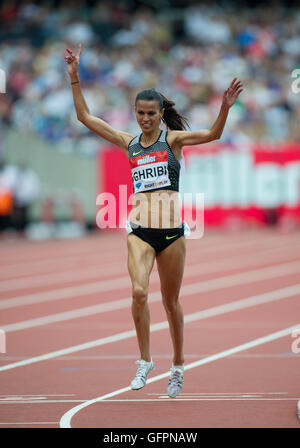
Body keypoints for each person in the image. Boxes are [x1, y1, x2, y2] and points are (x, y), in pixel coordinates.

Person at [64, 44, 243, 398]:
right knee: (139, 291)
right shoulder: (128, 142)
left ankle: (177, 365)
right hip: (140, 230)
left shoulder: (172, 140)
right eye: (140, 113)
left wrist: (224, 108)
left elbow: (213, 135)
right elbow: (85, 117)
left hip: (173, 234)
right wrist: (74, 78)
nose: (145, 119)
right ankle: (145, 360)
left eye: (151, 113)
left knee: (171, 303)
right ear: (134, 113)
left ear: (161, 113)